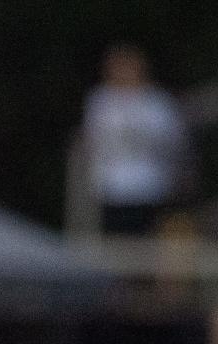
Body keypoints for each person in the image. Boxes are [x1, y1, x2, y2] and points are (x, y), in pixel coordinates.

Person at [81, 44, 192, 235]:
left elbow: (174, 142)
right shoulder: (101, 100)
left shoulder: (158, 103)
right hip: (111, 188)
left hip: (151, 186)